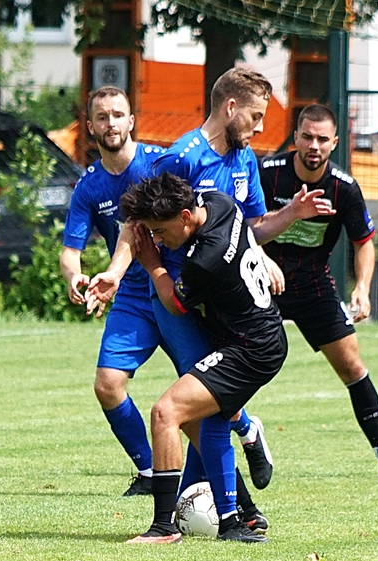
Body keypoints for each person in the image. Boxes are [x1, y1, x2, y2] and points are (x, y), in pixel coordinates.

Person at [97, 67, 332, 531]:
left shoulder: (244, 159)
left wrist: (284, 223)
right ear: (230, 107)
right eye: (256, 116)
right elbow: (138, 219)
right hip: (170, 296)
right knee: (184, 405)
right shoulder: (182, 157)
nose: (260, 128)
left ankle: (231, 510)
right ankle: (237, 486)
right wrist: (116, 272)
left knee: (196, 407)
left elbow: (251, 225)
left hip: (200, 298)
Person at [60, 86, 273, 506]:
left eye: (117, 115)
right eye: (101, 117)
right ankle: (149, 469)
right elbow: (73, 250)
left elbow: (228, 223)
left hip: (178, 291)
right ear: (90, 126)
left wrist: (261, 255)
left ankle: (243, 444)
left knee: (201, 394)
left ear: (131, 120)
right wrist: (81, 275)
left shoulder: (162, 163)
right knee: (108, 384)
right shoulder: (89, 185)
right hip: (134, 294)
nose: (110, 124)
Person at [89, 174, 288, 543]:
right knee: (209, 422)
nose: (159, 241)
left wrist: (152, 263)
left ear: (184, 216)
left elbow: (175, 303)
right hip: (255, 338)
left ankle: (164, 528)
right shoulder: (220, 201)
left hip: (250, 350)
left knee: (166, 412)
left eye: (161, 232)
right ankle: (236, 520)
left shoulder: (206, 259)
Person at [257, 104, 378, 480]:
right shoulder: (268, 174)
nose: (314, 145)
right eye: (307, 137)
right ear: (296, 138)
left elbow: (364, 242)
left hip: (313, 284)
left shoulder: (344, 187)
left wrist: (361, 287)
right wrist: (263, 257)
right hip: (263, 281)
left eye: (322, 139)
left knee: (353, 367)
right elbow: (245, 224)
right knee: (241, 364)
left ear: (334, 142)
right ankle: (247, 432)